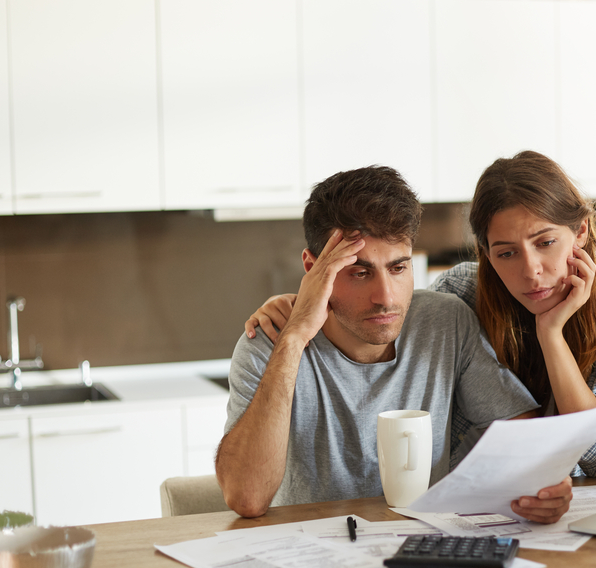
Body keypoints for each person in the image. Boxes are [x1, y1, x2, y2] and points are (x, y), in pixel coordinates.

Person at [246, 151, 596, 478]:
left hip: (574, 501)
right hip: (482, 503)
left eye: (545, 243)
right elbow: (382, 315)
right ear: (486, 253)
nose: (530, 271)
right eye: (506, 253)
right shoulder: (463, 294)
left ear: (579, 230)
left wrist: (551, 334)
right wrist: (300, 306)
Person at [216, 165, 573, 522]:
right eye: (359, 272)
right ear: (313, 268)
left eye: (398, 268)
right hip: (311, 552)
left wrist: (543, 485)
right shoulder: (270, 343)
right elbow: (247, 499)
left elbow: (524, 437)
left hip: (424, 547)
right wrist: (294, 339)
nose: (385, 297)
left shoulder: (446, 322)